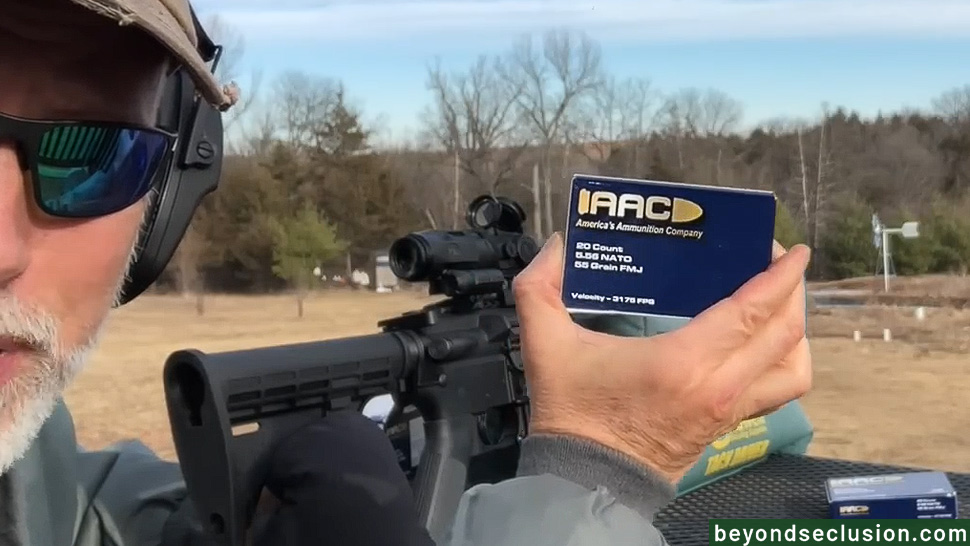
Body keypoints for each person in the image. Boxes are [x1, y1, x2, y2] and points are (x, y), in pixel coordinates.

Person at [0, 0, 812, 544]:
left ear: (168, 197)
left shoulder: (28, 481)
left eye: (91, 151)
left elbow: (67, 517)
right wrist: (598, 467)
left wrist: (259, 520)